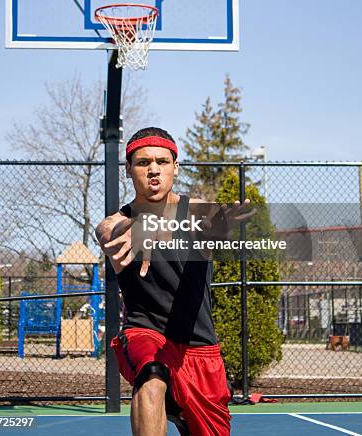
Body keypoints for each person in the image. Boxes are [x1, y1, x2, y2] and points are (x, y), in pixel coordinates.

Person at [96, 127, 252, 436]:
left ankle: (179, 409)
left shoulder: (198, 211)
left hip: (199, 350)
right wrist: (131, 230)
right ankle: (162, 393)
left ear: (175, 168)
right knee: (151, 374)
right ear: (128, 170)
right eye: (142, 163)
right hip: (147, 332)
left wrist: (215, 229)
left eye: (162, 161)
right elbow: (107, 231)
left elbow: (212, 224)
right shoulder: (118, 222)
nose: (153, 169)